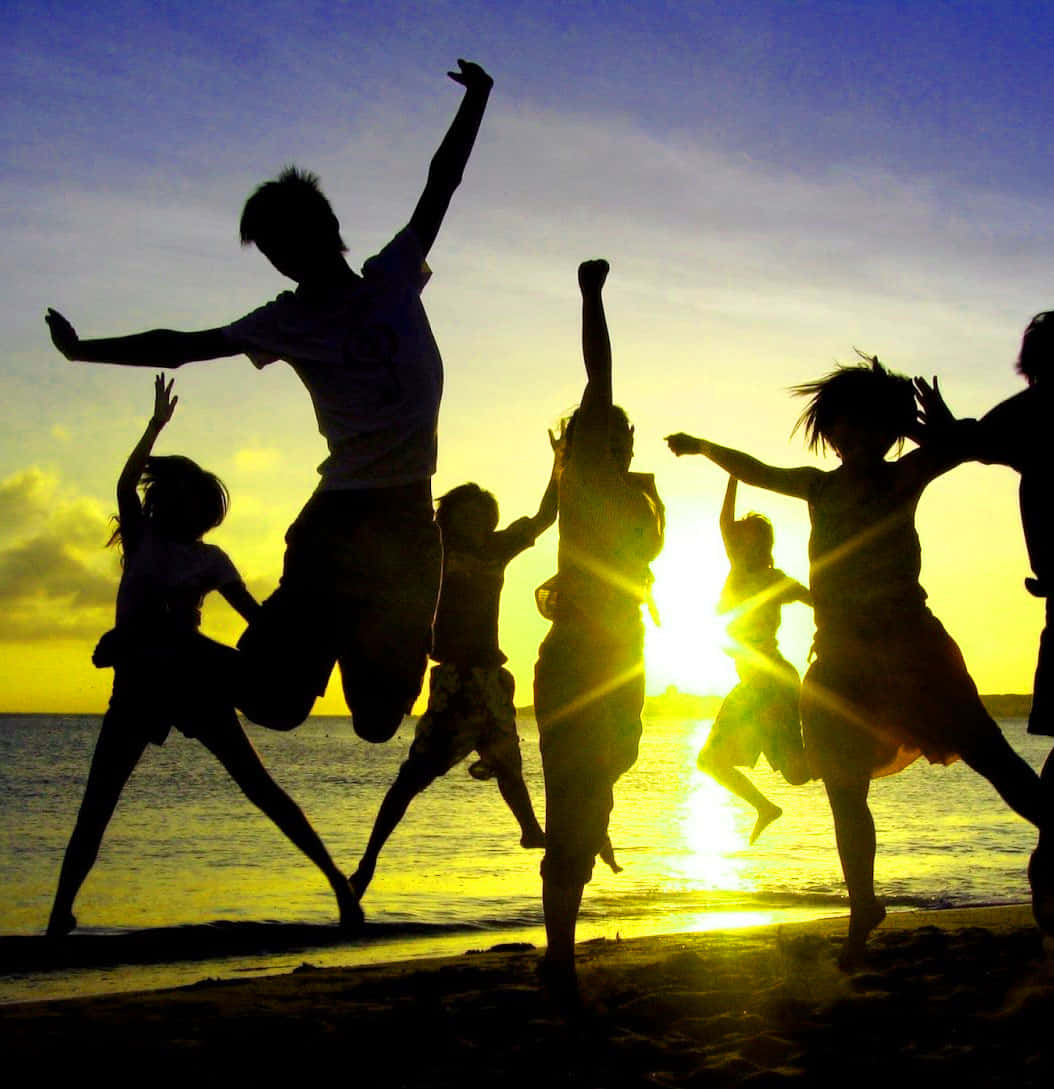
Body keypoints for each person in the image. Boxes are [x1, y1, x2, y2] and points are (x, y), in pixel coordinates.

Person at [45, 59, 494, 743]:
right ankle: (156, 645)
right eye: (272, 253)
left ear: (322, 229)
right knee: (275, 704)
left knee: (378, 720)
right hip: (339, 521)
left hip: (406, 525)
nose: (282, 262)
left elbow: (443, 183)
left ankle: (339, 623)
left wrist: (478, 99)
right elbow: (182, 344)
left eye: (285, 243)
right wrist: (84, 351)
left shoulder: (393, 275)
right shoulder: (286, 318)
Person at [667, 354, 1048, 967]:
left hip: (910, 649)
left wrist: (932, 432)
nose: (854, 437)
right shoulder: (819, 487)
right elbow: (758, 470)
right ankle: (862, 905)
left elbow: (968, 446)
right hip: (839, 658)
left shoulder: (903, 477)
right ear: (832, 431)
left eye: (871, 426)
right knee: (843, 789)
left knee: (990, 756)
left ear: (889, 431)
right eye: (844, 425)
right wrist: (703, 446)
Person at [48, 376, 359, 936]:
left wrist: (300, 633)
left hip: (193, 681)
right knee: (97, 804)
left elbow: (255, 618)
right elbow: (124, 483)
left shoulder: (211, 559)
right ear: (164, 503)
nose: (190, 514)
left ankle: (338, 883)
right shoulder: (142, 540)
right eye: (182, 502)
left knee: (258, 786)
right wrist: (153, 428)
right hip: (139, 688)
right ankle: (57, 917)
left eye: (199, 508)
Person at [534, 260, 665, 999]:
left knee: (618, 759)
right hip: (577, 659)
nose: (613, 436)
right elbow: (600, 372)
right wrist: (590, 295)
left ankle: (590, 823)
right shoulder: (582, 483)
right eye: (600, 429)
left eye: (620, 434)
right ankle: (560, 954)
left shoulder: (634, 495)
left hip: (627, 660)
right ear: (581, 444)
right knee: (570, 809)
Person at [349, 446, 561, 900]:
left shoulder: (498, 548)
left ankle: (530, 830)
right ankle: (367, 862)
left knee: (508, 764)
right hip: (452, 680)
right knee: (412, 778)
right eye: (468, 513)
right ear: (450, 515)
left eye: (485, 515)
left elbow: (546, 515)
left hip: (490, 677)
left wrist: (560, 463)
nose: (478, 522)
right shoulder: (432, 547)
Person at [918, 312, 1054, 931]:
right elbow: (968, 439)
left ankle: (1052, 878)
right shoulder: (1032, 415)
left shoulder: (1037, 412)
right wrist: (945, 430)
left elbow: (967, 441)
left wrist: (944, 430)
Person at [696, 476, 811, 844]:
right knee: (713, 761)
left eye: (744, 536)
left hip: (770, 681)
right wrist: (732, 474)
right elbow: (724, 523)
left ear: (758, 544)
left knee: (796, 771)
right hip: (755, 683)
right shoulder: (739, 571)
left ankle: (847, 752)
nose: (734, 539)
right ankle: (765, 807)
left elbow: (821, 603)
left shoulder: (774, 579)